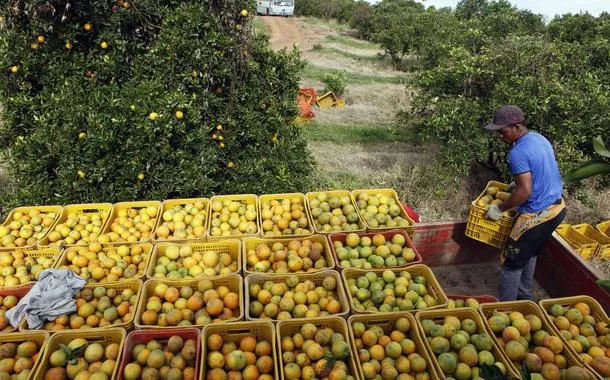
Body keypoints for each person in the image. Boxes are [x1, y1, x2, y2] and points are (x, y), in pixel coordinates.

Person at [484, 105, 566, 301]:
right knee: (528, 254)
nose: (500, 136)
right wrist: (520, 182)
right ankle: (524, 297)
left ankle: (505, 309)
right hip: (557, 208)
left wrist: (499, 208)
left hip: (537, 216)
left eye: (502, 131)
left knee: (510, 261)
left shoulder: (517, 153)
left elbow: (524, 192)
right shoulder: (538, 138)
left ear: (516, 126)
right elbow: (542, 168)